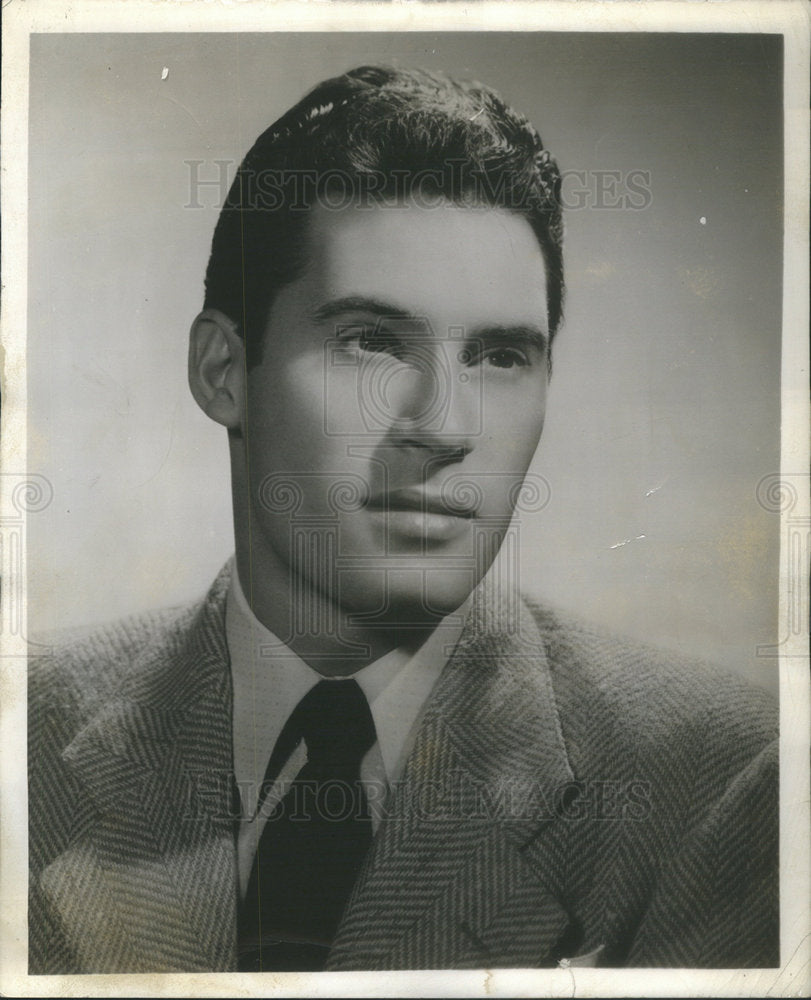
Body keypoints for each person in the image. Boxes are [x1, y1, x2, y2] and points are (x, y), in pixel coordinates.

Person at [28, 65, 778, 974]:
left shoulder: (723, 789)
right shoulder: (19, 742)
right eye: (373, 343)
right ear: (224, 371)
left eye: (501, 356)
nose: (448, 428)